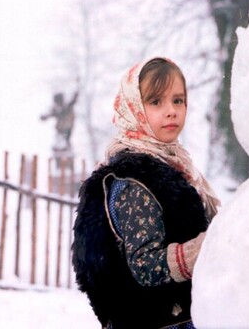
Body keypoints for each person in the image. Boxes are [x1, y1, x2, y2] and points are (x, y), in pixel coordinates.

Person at [72, 57, 220, 329]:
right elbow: (146, 265)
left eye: (178, 100)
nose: (171, 111)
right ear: (134, 109)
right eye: (156, 102)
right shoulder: (133, 180)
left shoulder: (177, 167)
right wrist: (211, 245)